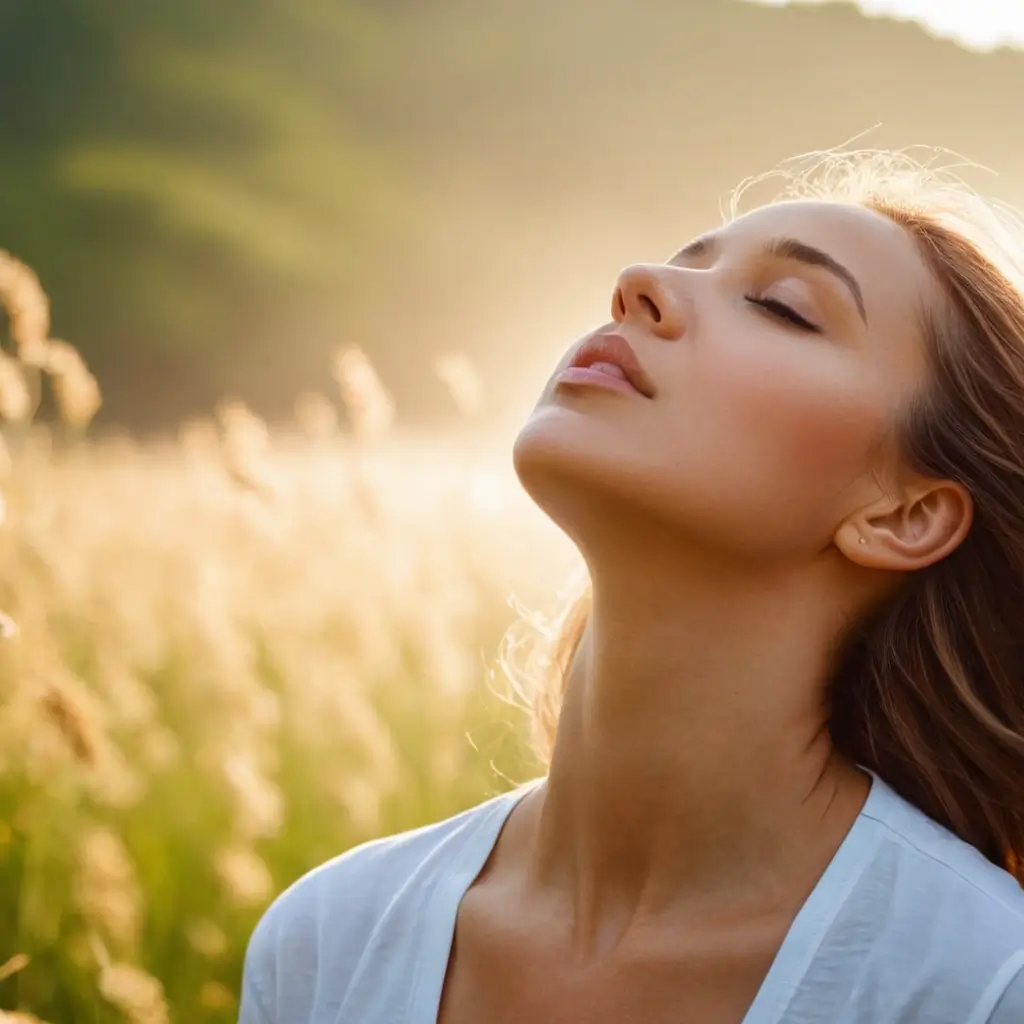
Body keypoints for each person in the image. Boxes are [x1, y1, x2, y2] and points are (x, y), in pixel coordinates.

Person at [238, 150, 1024, 1023]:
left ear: (903, 516)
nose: (638, 283)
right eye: (684, 261)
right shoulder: (324, 943)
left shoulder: (981, 985)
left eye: (781, 308)